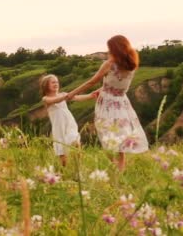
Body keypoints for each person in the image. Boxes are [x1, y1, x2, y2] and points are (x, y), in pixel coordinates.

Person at [67, 35, 149, 170]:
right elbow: (118, 86)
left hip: (107, 104)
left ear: (115, 49)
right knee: (119, 140)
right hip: (122, 104)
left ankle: (116, 168)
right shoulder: (132, 65)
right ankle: (119, 171)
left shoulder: (110, 64)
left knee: (106, 138)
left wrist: (73, 93)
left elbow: (92, 81)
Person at [40, 74, 98, 166]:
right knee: (63, 153)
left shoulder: (63, 94)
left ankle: (79, 165)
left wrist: (91, 95)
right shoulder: (46, 98)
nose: (56, 84)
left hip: (69, 124)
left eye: (57, 82)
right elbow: (57, 100)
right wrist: (67, 96)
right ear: (46, 85)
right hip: (59, 127)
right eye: (53, 82)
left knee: (75, 143)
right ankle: (64, 170)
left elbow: (77, 98)